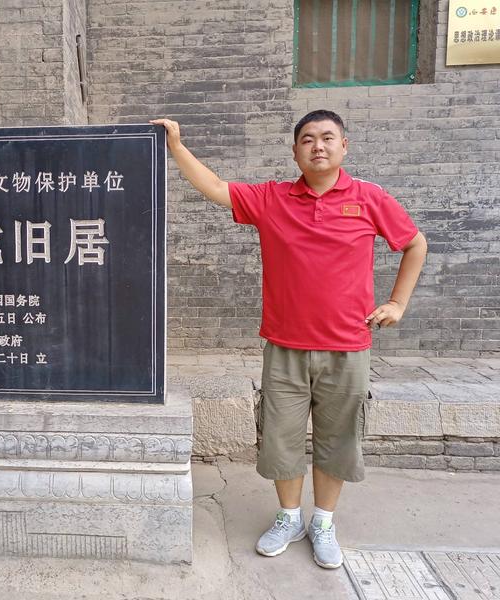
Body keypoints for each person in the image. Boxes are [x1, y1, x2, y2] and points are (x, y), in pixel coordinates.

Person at [150, 110, 427, 569]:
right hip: (285, 346)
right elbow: (216, 188)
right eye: (307, 139)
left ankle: (323, 522)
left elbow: (415, 243)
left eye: (328, 138)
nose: (318, 146)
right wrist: (176, 147)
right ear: (296, 151)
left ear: (344, 146)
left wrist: (398, 303)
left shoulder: (369, 198)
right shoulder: (272, 199)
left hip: (347, 347)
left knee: (338, 439)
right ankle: (289, 517)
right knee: (282, 438)